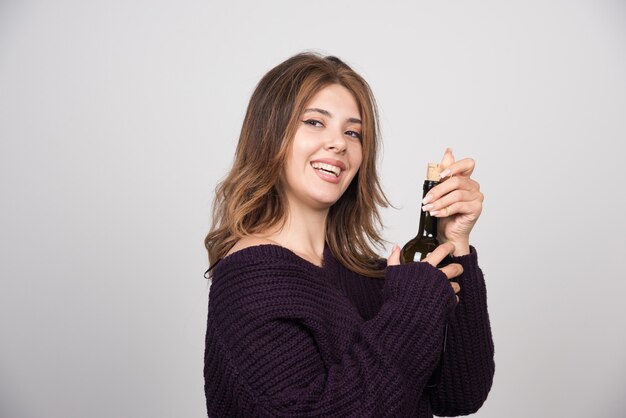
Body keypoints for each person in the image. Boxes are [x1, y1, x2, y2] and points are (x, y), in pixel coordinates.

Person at [203, 52, 494, 417]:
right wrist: (410, 309)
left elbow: (459, 395)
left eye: (352, 132)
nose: (338, 143)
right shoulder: (251, 279)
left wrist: (456, 241)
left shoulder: (368, 276)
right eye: (314, 122)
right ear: (269, 136)